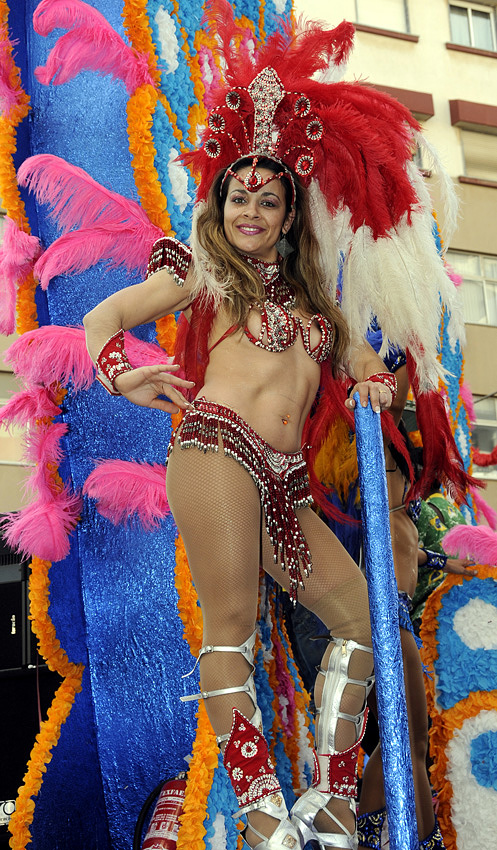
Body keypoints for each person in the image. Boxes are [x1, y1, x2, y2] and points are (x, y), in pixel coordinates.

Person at [83, 7, 468, 849]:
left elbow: (369, 372)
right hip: (216, 449)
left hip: (288, 482)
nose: (250, 209)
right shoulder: (199, 271)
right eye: (237, 195)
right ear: (218, 203)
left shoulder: (318, 302)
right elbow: (105, 316)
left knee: (366, 623)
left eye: (268, 198)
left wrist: (378, 383)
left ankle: (330, 801)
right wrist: (122, 372)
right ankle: (262, 816)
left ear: (291, 215)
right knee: (231, 631)